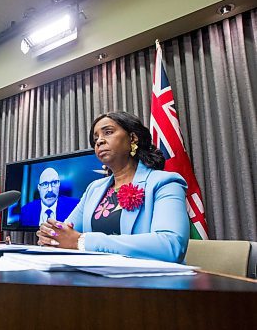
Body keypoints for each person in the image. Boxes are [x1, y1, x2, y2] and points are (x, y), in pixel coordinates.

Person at [36, 112, 190, 263]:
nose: (99, 142)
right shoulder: (94, 189)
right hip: (95, 278)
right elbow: (66, 232)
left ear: (132, 138)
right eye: (96, 139)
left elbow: (170, 245)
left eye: (108, 132)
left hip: (147, 282)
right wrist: (51, 234)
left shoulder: (165, 182)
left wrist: (83, 241)